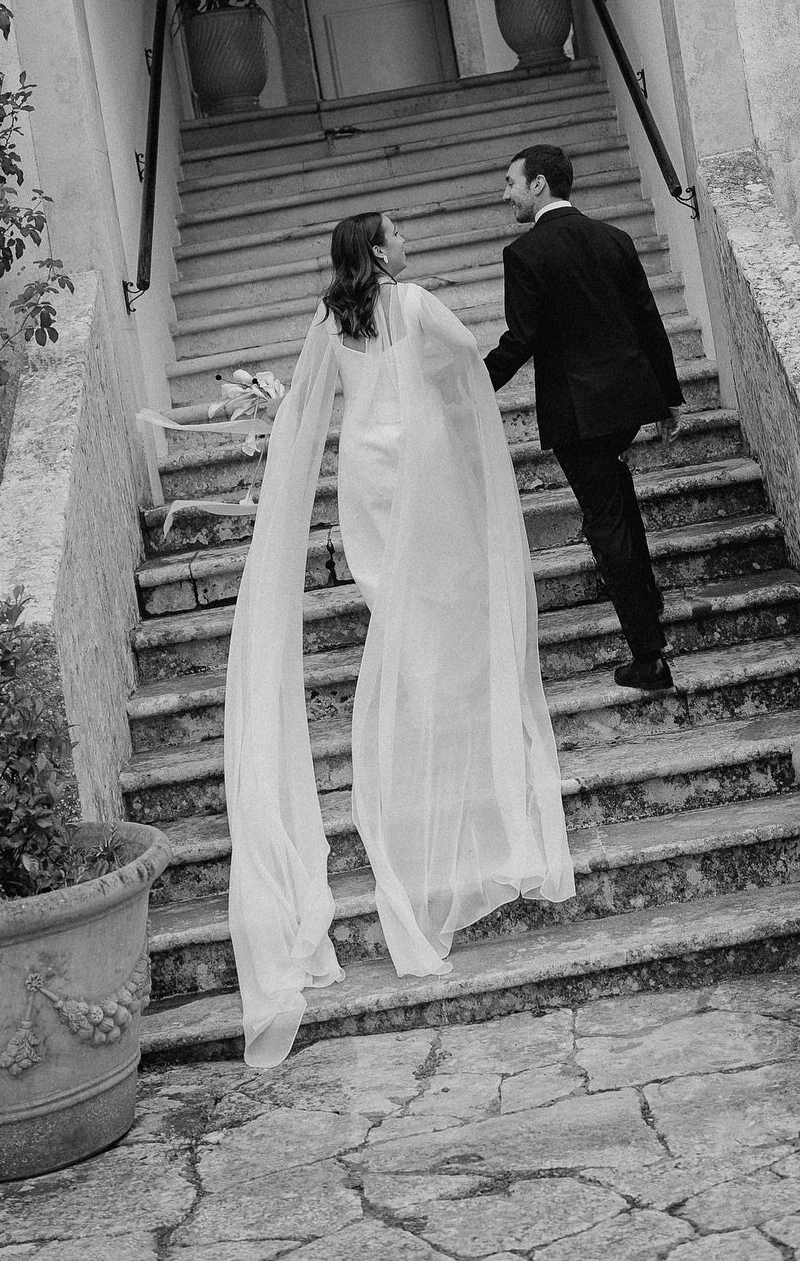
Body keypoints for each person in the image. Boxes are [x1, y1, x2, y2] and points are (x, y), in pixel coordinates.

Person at [224, 210, 574, 1068]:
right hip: (417, 459)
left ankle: (410, 696)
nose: (410, 240)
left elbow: (307, 403)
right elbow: (466, 359)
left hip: (364, 472)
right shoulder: (414, 304)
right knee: (445, 589)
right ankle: (446, 712)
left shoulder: (327, 317)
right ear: (379, 252)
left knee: (392, 597)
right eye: (398, 233)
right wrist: (452, 405)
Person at [484, 144, 684, 692]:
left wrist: (472, 385)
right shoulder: (614, 239)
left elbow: (521, 339)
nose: (506, 195)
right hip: (628, 403)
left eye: (511, 183)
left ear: (540, 184)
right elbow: (648, 320)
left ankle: (648, 656)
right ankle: (649, 607)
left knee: (607, 521)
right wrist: (668, 400)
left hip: (578, 410)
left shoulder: (525, 256)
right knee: (620, 505)